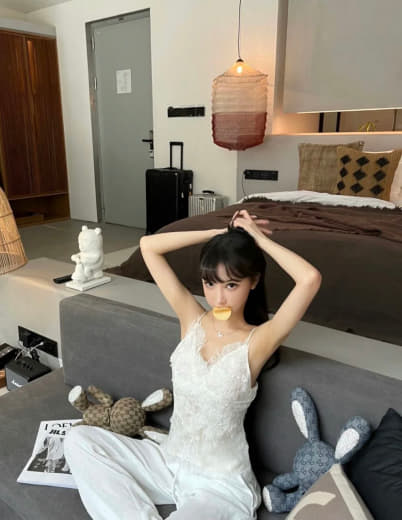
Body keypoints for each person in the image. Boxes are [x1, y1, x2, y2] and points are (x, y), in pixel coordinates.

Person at [64, 209, 321, 519]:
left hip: (219, 485)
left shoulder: (258, 342)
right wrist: (218, 233)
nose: (218, 298)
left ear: (253, 281)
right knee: (79, 439)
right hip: (168, 461)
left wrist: (256, 238)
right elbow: (149, 247)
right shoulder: (191, 319)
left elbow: (309, 279)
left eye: (231, 285)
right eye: (210, 284)